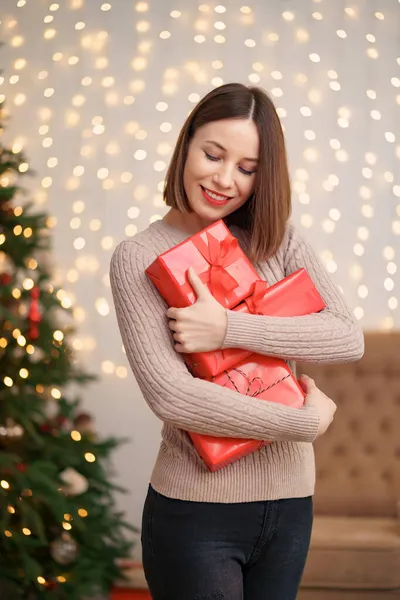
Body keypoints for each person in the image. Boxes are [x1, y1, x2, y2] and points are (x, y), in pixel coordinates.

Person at [109, 83, 364, 600]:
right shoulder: (137, 256)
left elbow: (346, 335)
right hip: (197, 513)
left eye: (247, 168)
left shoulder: (277, 237)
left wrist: (228, 327)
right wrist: (301, 423)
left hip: (292, 505)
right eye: (213, 154)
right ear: (186, 146)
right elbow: (173, 397)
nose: (225, 179)